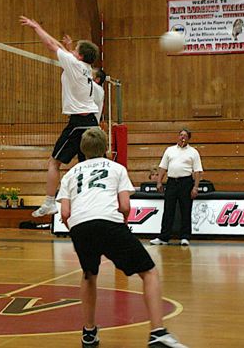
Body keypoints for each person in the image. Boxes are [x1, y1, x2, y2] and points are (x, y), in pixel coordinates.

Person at [57, 128, 188, 348]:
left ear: (82, 149)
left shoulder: (70, 174)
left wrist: (77, 233)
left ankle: (89, 332)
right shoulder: (116, 168)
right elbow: (125, 206)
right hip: (109, 223)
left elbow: (65, 213)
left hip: (80, 226)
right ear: (105, 148)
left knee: (89, 275)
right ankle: (158, 332)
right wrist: (123, 225)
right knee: (149, 272)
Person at [19, 16, 100, 218]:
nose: (71, 52)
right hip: (92, 123)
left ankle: (49, 202)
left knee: (54, 163)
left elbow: (50, 45)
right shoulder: (85, 68)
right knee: (89, 166)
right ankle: (94, 205)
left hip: (78, 123)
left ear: (80, 56)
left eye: (75, 50)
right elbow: (66, 53)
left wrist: (36, 27)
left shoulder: (74, 65)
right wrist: (70, 47)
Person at [150, 129, 203, 246]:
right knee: (168, 210)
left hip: (186, 182)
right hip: (172, 182)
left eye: (185, 136)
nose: (182, 137)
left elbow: (198, 171)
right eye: (180, 135)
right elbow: (163, 167)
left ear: (188, 138)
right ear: (178, 137)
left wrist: (195, 187)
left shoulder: (193, 152)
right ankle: (164, 237)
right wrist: (159, 182)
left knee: (186, 210)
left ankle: (185, 237)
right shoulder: (170, 150)